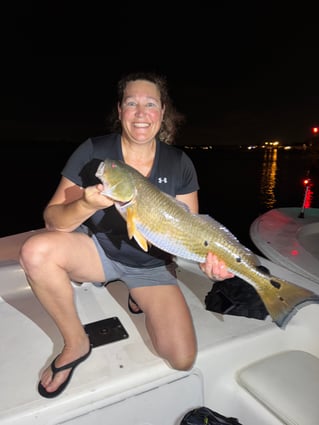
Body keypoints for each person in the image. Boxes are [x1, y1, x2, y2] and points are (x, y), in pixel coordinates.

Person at [19, 71, 233, 398]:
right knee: (36, 252)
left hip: (152, 267)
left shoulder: (179, 163)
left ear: (163, 113)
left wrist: (208, 263)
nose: (140, 113)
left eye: (150, 104)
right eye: (131, 103)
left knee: (182, 359)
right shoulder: (95, 152)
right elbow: (53, 219)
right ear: (120, 111)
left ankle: (137, 292)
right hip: (99, 252)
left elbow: (191, 229)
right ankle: (76, 342)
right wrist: (86, 203)